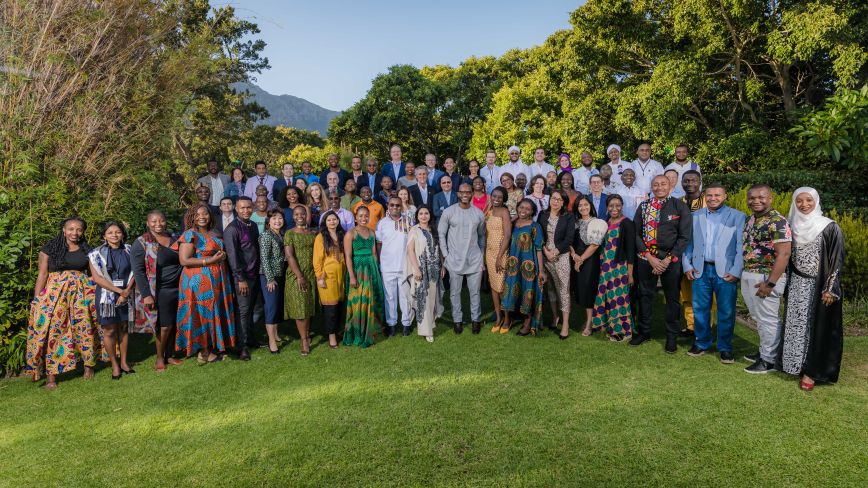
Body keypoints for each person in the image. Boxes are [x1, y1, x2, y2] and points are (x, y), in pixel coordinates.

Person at [776, 188, 844, 390]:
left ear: (816, 201)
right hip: (797, 284)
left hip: (819, 286)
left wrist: (831, 288)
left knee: (817, 328)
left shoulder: (829, 227)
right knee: (796, 326)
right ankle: (793, 364)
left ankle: (811, 372)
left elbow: (836, 260)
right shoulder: (790, 226)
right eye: (799, 201)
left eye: (808, 200)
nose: (804, 204)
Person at [27, 216, 98, 389]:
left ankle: (89, 367)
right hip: (55, 295)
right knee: (54, 331)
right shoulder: (49, 249)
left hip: (81, 294)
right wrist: (37, 299)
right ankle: (51, 377)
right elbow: (42, 275)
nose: (75, 233)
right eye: (71, 229)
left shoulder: (87, 250)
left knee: (84, 328)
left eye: (79, 229)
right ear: (64, 230)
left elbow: (94, 274)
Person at [682, 184, 746, 364]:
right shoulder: (695, 216)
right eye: (709, 195)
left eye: (717, 195)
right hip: (700, 269)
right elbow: (687, 243)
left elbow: (741, 247)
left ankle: (725, 347)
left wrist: (736, 270)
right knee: (700, 309)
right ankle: (701, 342)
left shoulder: (738, 217)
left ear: (725, 196)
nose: (713, 198)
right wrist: (687, 265)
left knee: (726, 311)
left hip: (726, 272)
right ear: (704, 196)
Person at [631, 175, 693, 353]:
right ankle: (644, 332)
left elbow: (684, 237)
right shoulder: (644, 206)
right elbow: (636, 234)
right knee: (645, 296)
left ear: (670, 186)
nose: (659, 187)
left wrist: (667, 259)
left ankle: (671, 337)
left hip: (670, 261)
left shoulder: (679, 206)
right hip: (646, 259)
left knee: (672, 299)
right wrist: (650, 258)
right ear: (652, 187)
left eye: (663, 184)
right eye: (655, 184)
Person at [174, 204, 236, 363]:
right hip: (198, 281)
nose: (202, 217)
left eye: (205, 214)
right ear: (192, 217)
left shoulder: (213, 233)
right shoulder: (190, 234)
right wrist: (210, 260)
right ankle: (204, 352)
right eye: (198, 214)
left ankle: (212, 346)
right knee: (201, 313)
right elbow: (184, 260)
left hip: (216, 279)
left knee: (213, 312)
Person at [741, 184, 792, 374]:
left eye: (761, 197)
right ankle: (764, 352)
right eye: (752, 198)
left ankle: (769, 361)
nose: (756, 201)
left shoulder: (777, 221)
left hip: (766, 275)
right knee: (758, 317)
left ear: (770, 198)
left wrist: (770, 283)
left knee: (768, 319)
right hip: (749, 272)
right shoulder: (751, 219)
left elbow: (784, 254)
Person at [131, 210, 183, 372]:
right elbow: (138, 271)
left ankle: (169, 354)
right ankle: (160, 358)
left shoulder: (175, 238)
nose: (158, 224)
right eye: (153, 221)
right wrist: (146, 295)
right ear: (147, 223)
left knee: (174, 323)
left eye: (161, 220)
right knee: (164, 325)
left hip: (180, 286)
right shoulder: (141, 242)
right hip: (160, 290)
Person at [88, 222, 137, 380]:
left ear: (122, 234)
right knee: (109, 330)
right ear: (104, 236)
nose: (114, 235)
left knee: (123, 328)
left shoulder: (130, 250)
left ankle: (124, 362)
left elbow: (137, 271)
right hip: (106, 295)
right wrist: (119, 292)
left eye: (118, 232)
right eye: (110, 232)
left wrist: (126, 291)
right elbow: (97, 278)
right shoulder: (95, 254)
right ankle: (114, 365)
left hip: (127, 292)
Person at [438, 184, 487, 334]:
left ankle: (475, 320)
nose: (465, 194)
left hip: (474, 259)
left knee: (475, 292)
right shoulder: (449, 212)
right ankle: (457, 320)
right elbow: (441, 234)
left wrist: (481, 256)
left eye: (468, 192)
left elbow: (481, 236)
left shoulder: (478, 214)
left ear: (472, 193)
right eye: (462, 192)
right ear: (458, 193)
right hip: (454, 259)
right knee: (454, 292)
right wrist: (446, 255)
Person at [590, 195, 635, 341]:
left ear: (622, 206)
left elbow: (630, 250)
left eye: (617, 205)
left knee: (619, 298)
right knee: (608, 297)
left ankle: (624, 331)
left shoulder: (627, 223)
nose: (614, 208)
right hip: (606, 266)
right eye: (611, 205)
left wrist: (630, 273)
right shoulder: (606, 222)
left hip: (619, 266)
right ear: (607, 207)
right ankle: (610, 326)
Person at [223, 196, 261, 360]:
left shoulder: (252, 225)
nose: (246, 210)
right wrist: (240, 279)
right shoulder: (231, 229)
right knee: (243, 312)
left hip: (254, 275)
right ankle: (242, 346)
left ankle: (250, 339)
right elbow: (232, 256)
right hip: (242, 277)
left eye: (248, 207)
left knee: (253, 309)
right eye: (242, 208)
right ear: (236, 209)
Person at [501, 199, 546, 335]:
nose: (523, 210)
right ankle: (507, 319)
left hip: (529, 266)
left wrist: (542, 270)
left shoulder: (535, 226)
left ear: (532, 211)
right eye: (521, 207)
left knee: (528, 292)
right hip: (513, 264)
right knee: (509, 290)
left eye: (527, 209)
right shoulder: (513, 224)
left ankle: (527, 322)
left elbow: (539, 249)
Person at [343, 206, 385, 347]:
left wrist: (376, 269)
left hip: (371, 267)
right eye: (360, 216)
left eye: (366, 216)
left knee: (372, 298)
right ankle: (358, 330)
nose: (363, 218)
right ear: (355, 218)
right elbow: (348, 256)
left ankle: (371, 328)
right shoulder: (350, 234)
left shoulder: (372, 233)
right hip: (358, 268)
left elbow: (374, 253)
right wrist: (352, 276)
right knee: (359, 301)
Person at [401, 206, 444, 344]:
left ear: (430, 215)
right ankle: (426, 331)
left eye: (426, 213)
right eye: (421, 213)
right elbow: (410, 251)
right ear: (417, 216)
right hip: (421, 269)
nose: (424, 216)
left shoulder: (433, 229)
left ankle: (430, 324)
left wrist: (441, 266)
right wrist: (417, 270)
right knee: (423, 300)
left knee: (431, 299)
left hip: (434, 269)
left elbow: (438, 249)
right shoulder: (414, 230)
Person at [539, 189, 576, 339]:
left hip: (561, 257)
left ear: (563, 203)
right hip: (546, 256)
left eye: (559, 200)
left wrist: (556, 252)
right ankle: (555, 317)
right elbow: (538, 234)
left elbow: (569, 238)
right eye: (553, 198)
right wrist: (545, 251)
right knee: (551, 288)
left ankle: (565, 324)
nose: (555, 202)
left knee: (564, 289)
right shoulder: (543, 215)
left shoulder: (568, 217)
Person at [570, 196, 607, 336]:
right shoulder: (575, 222)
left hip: (590, 260)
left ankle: (590, 324)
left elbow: (595, 245)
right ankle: (588, 319)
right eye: (580, 205)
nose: (583, 208)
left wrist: (581, 260)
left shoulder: (597, 222)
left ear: (590, 206)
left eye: (585, 205)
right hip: (576, 258)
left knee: (588, 290)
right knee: (579, 290)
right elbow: (569, 242)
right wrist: (574, 257)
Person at [377, 197, 413, 337]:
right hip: (387, 266)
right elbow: (379, 245)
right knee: (390, 297)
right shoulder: (382, 224)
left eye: (398, 205)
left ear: (401, 207)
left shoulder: (409, 221)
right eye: (392, 205)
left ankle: (406, 324)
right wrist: (381, 262)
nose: (395, 207)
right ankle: (391, 324)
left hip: (404, 265)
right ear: (388, 206)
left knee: (405, 296)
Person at [283, 206, 317, 356]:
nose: (300, 216)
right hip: (297, 274)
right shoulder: (289, 233)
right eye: (296, 214)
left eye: (302, 213)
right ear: (293, 216)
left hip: (312, 273)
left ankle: (308, 334)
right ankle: (304, 340)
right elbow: (289, 256)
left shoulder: (313, 233)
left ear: (306, 215)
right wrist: (300, 276)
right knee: (300, 308)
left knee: (308, 306)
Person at [678, 169, 708, 337]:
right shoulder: (678, 202)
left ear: (699, 182)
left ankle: (703, 328)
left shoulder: (707, 202)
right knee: (686, 293)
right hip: (682, 253)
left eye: (693, 180)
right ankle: (690, 326)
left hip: (702, 254)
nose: (689, 184)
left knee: (703, 294)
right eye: (686, 181)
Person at [313, 211, 347, 348]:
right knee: (330, 309)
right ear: (325, 223)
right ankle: (331, 337)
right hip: (327, 277)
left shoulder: (341, 235)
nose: (332, 222)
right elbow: (317, 260)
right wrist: (320, 277)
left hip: (341, 276)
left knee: (339, 306)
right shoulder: (321, 237)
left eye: (334, 219)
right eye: (329, 220)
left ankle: (338, 331)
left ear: (338, 221)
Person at [486, 187, 513, 333]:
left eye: (500, 197)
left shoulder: (504, 212)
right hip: (489, 253)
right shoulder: (489, 211)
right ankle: (498, 316)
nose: (496, 199)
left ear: (504, 199)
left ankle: (507, 318)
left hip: (501, 254)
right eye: (494, 196)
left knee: (502, 287)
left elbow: (507, 236)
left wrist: (499, 257)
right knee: (493, 286)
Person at [259, 209, 285, 354]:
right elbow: (264, 258)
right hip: (268, 277)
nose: (277, 221)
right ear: (268, 222)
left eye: (280, 218)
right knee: (270, 307)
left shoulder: (280, 235)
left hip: (279, 275)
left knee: (276, 306)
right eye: (274, 218)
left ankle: (275, 334)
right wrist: (269, 279)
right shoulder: (265, 236)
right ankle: (271, 341)